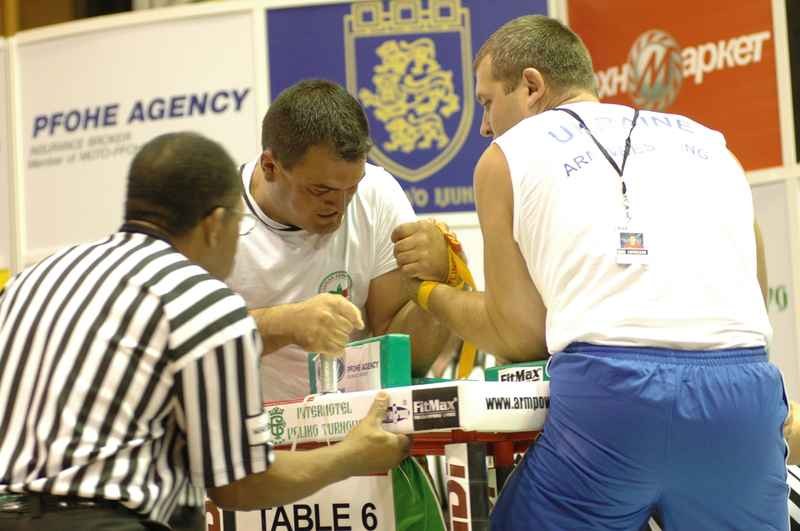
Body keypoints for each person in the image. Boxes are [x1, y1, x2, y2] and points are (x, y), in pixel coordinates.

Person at [392, 15, 787, 531]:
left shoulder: (506, 156)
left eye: (488, 102)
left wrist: (430, 293)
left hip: (616, 399)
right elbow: (753, 294)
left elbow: (520, 334)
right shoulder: (712, 145)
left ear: (531, 86)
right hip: (745, 396)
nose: (485, 126)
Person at [0, 132, 409, 531]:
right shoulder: (202, 301)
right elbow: (241, 483)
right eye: (237, 222)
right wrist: (352, 455)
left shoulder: (32, 281)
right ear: (216, 224)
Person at [226, 79, 452, 401]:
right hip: (257, 438)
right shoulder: (218, 219)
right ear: (270, 166)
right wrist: (283, 323)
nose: (340, 205)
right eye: (322, 191)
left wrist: (438, 286)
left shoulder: (376, 192)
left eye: (352, 188)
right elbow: (186, 344)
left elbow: (409, 359)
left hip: (355, 429)